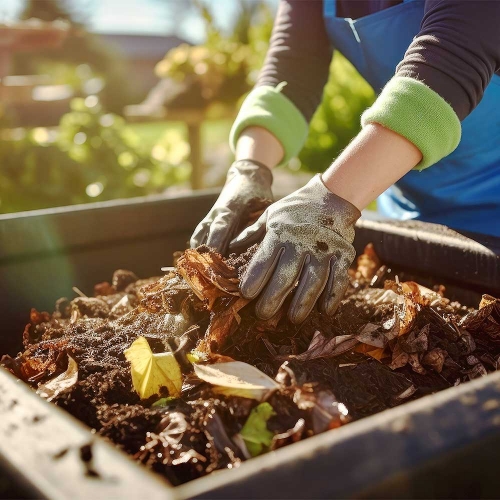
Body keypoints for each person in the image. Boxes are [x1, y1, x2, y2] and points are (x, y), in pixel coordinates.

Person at [190, 0, 500, 325]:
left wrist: (329, 203)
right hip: (417, 210)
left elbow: (453, 59)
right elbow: (289, 76)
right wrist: (249, 168)